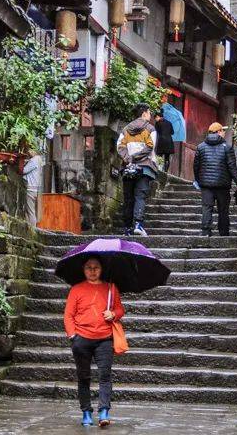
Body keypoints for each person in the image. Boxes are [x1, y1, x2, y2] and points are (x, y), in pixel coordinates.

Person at [64, 256, 124, 427]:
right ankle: (86, 412)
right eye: (89, 267)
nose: (92, 271)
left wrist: (113, 314)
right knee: (84, 377)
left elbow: (120, 309)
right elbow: (68, 315)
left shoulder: (111, 288)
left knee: (105, 376)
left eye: (96, 267)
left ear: (101, 269)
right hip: (81, 339)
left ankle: (104, 411)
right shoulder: (76, 289)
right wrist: (73, 336)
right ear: (83, 270)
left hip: (104, 339)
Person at [193, 122, 237, 236]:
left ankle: (205, 231)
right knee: (223, 209)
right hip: (223, 184)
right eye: (222, 130)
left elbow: (196, 166)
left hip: (206, 185)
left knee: (207, 208)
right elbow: (232, 166)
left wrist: (198, 180)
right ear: (218, 132)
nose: (224, 133)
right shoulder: (227, 147)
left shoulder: (201, 147)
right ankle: (223, 232)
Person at [116, 103, 157, 236]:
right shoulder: (150, 129)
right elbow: (151, 146)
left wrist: (129, 159)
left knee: (128, 198)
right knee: (140, 196)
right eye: (149, 113)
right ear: (144, 113)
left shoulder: (125, 130)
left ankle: (127, 228)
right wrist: (137, 157)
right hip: (144, 168)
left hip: (128, 168)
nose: (150, 116)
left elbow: (120, 147)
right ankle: (138, 225)